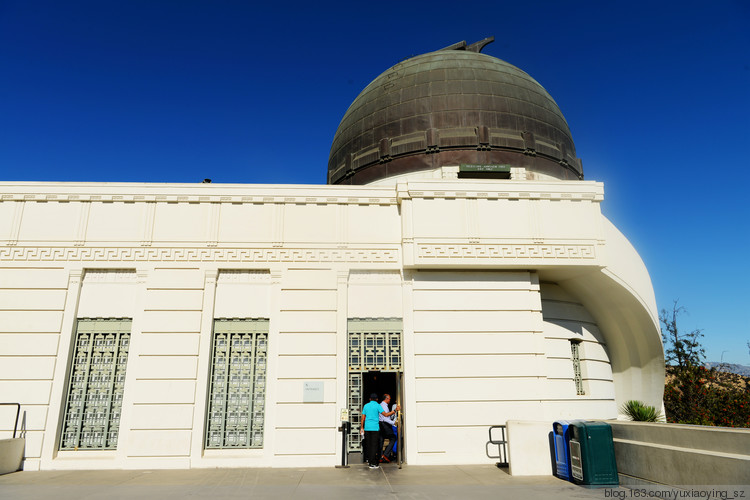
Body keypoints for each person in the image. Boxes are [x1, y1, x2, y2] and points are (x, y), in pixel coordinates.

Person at [360, 393, 399, 469]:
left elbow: (362, 418)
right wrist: (395, 410)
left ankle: (369, 460)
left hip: (367, 428)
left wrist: (362, 428)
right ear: (377, 399)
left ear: (370, 399)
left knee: (368, 445)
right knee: (374, 445)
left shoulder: (366, 406)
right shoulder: (378, 405)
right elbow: (386, 415)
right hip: (375, 428)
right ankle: (373, 463)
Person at [378, 393, 397, 462]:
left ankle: (380, 456)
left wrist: (392, 414)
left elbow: (387, 416)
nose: (390, 400)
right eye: (389, 399)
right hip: (384, 424)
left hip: (381, 424)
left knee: (381, 440)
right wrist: (393, 423)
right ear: (386, 399)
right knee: (393, 438)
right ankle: (385, 455)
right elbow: (385, 418)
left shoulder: (382, 405)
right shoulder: (384, 406)